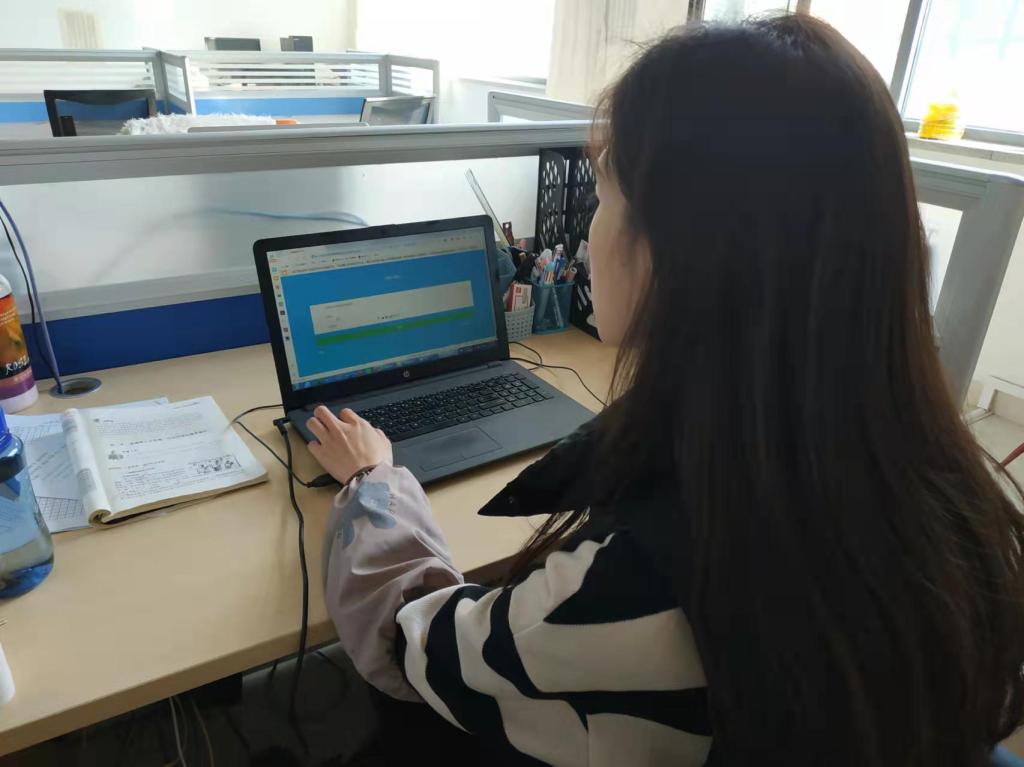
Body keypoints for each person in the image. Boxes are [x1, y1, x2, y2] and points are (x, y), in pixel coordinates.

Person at [307, 14, 1024, 767]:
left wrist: (372, 482)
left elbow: (414, 644)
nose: (591, 233)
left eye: (604, 196)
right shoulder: (955, 500)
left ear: (676, 250)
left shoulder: (647, 583)